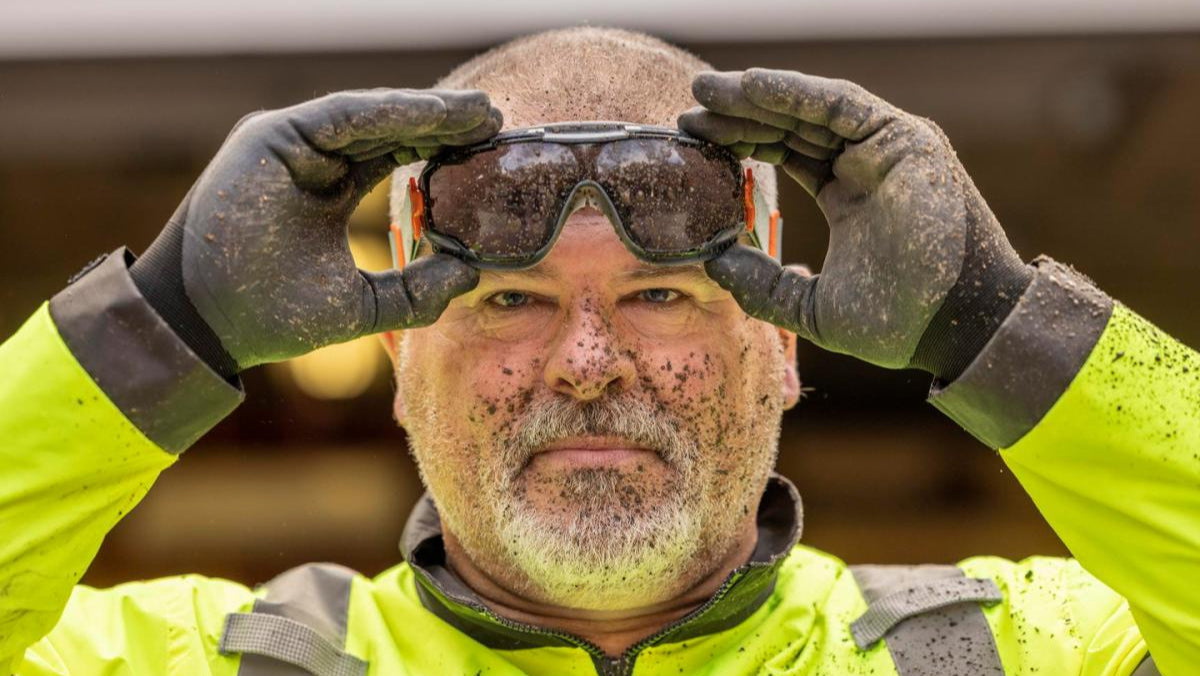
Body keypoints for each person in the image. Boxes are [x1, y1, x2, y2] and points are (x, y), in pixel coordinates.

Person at [0, 26, 1193, 676]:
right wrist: (157, 327)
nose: (585, 360)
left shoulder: (1035, 653)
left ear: (780, 340)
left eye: (664, 294)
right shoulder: (187, 664)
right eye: (510, 302)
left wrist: (996, 323)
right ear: (401, 359)